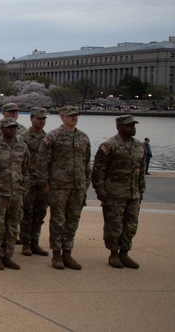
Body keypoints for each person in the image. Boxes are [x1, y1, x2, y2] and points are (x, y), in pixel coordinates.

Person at [37, 105, 91, 270]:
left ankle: (68, 252)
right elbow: (42, 161)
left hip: (78, 186)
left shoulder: (83, 137)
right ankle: (57, 254)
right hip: (59, 185)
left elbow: (86, 162)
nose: (73, 118)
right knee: (58, 220)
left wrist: (86, 182)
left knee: (73, 220)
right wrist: (44, 183)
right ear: (62, 117)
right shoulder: (53, 137)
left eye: (75, 115)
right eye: (70, 115)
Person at [92, 114, 147, 269]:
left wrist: (141, 190)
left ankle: (125, 252)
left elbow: (141, 171)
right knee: (114, 226)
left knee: (131, 225)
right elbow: (98, 170)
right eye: (129, 125)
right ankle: (114, 253)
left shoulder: (139, 146)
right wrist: (100, 191)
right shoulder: (109, 145)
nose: (133, 128)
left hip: (133, 194)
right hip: (114, 194)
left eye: (134, 125)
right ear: (119, 127)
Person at [0, 119, 29, 270]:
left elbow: (25, 170)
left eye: (14, 127)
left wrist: (24, 190)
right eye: (9, 128)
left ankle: (8, 255)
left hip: (16, 193)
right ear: (2, 129)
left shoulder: (22, 146)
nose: (12, 130)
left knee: (13, 226)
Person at [20, 107, 51, 257]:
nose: (42, 121)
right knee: (27, 212)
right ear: (31, 118)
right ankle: (25, 242)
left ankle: (35, 241)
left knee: (40, 212)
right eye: (39, 118)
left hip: (43, 181)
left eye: (44, 119)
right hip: (28, 181)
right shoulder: (23, 138)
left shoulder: (49, 138)